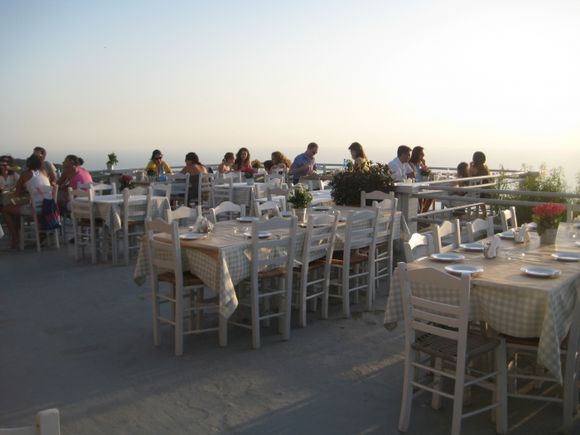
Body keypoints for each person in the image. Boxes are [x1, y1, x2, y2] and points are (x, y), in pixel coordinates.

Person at [2, 154, 51, 248]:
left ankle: (15, 235)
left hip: (34, 208)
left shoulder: (25, 174)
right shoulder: (44, 172)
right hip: (47, 207)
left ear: (28, 163)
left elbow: (16, 193)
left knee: (6, 209)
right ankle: (21, 233)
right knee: (15, 207)